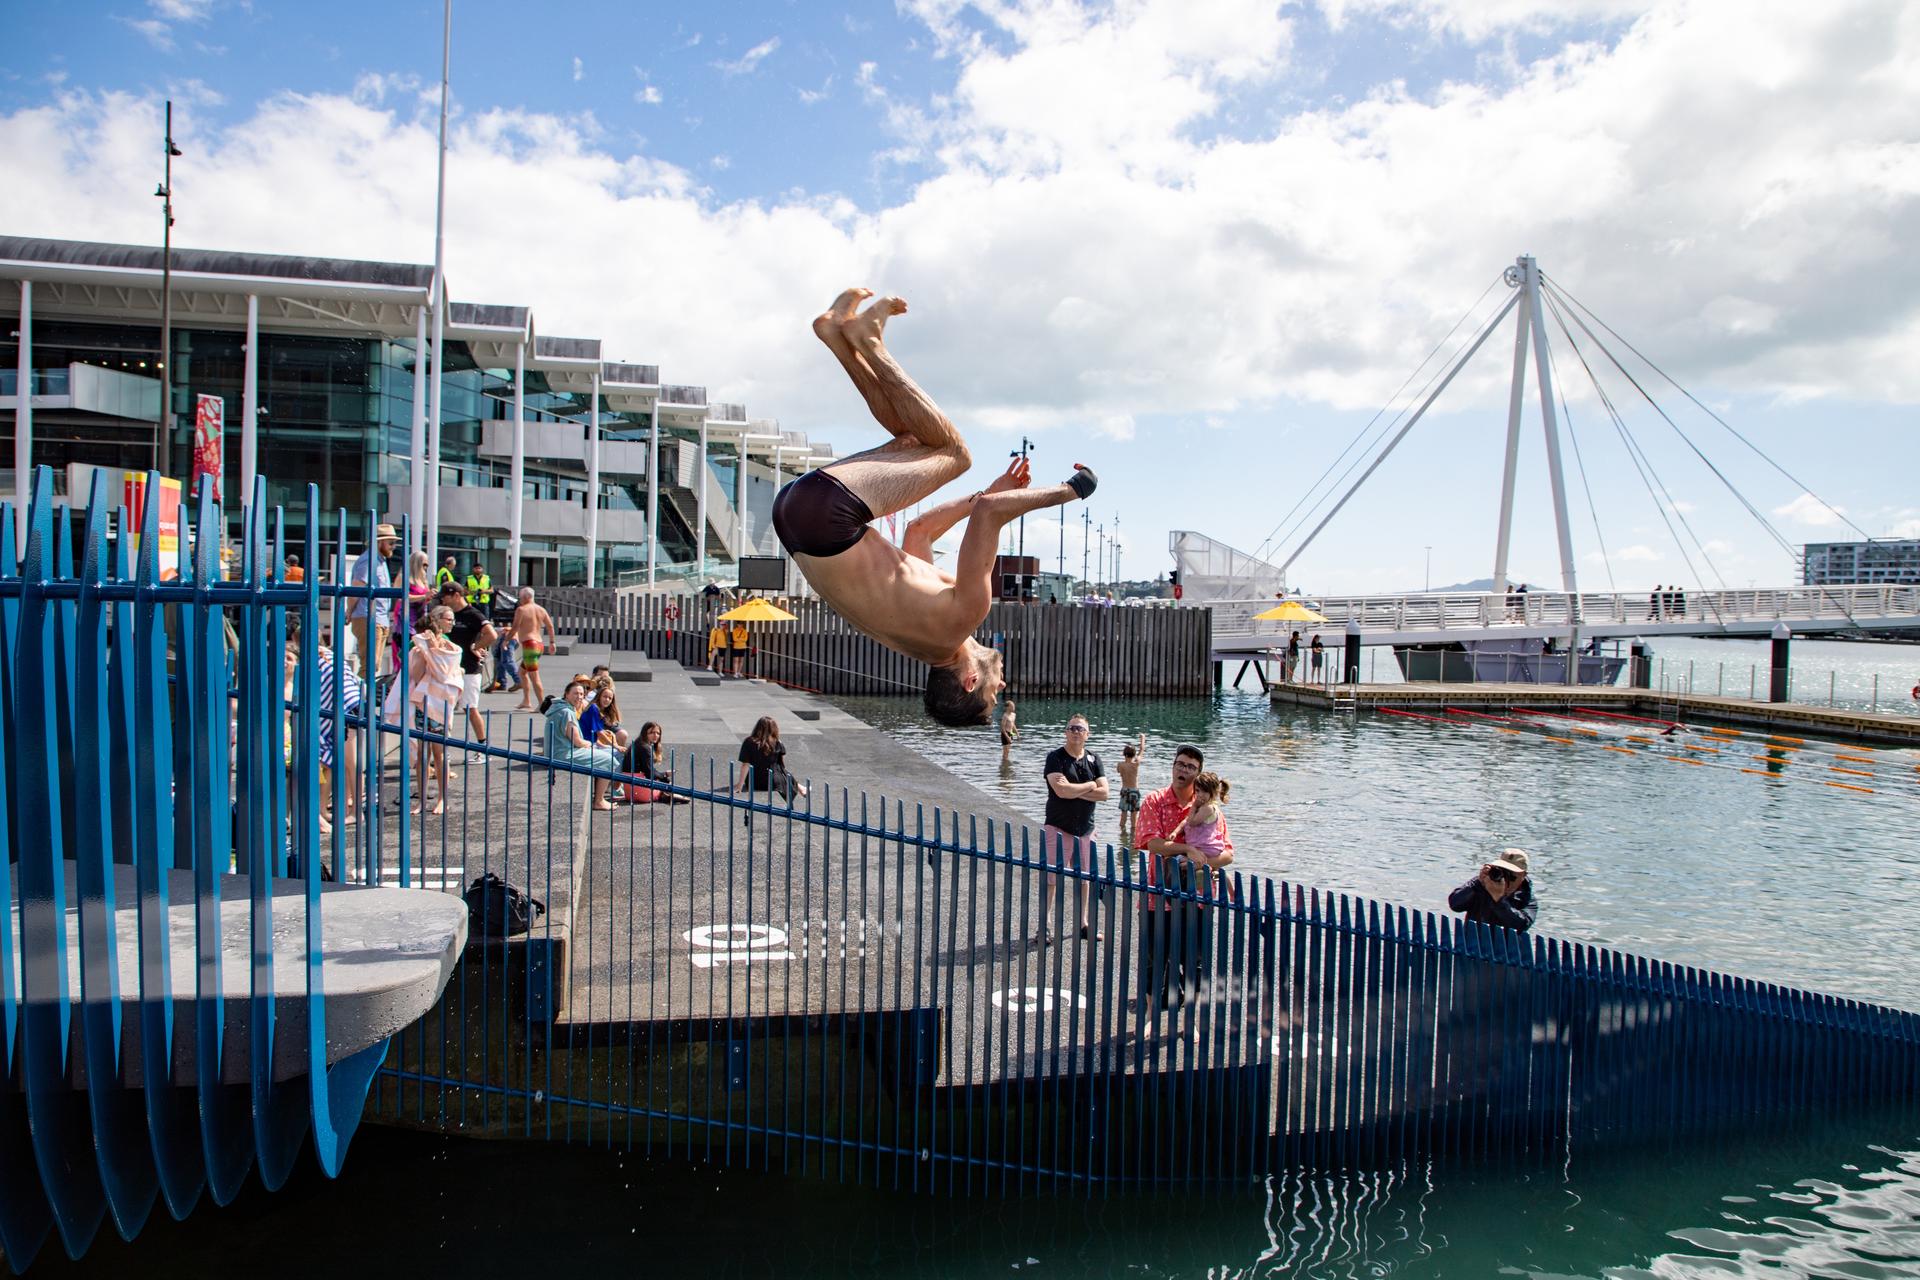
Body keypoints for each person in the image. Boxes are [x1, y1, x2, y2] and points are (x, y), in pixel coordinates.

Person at [775, 288, 1098, 727]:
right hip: (797, 519)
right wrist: (989, 491)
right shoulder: (923, 635)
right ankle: (837, 335)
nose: (1002, 688)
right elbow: (920, 533)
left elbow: (990, 516)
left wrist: (1071, 490)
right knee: (913, 440)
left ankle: (868, 341)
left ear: (969, 681)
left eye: (991, 696)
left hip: (830, 518)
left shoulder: (964, 615)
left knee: (954, 452)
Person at [1134, 745, 1234, 1012]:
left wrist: (1197, 864)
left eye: (1190, 767)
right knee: (1155, 957)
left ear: (1198, 774)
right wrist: (1186, 849)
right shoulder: (1155, 801)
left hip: (1198, 896)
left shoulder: (1210, 810)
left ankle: (1190, 1018)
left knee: (1195, 960)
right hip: (1160, 894)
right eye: (1180, 764)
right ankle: (1152, 1014)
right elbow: (1151, 843)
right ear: (1173, 766)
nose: (1183, 770)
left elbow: (1227, 854)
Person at [1040, 713, 1108, 944]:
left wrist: (1075, 788)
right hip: (1058, 826)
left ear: (1087, 734)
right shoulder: (1055, 758)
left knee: (1084, 880)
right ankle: (1045, 926)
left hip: (1086, 829)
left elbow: (1105, 793)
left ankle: (1083, 923)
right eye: (1072, 728)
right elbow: (1061, 791)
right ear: (1066, 732)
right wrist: (1090, 785)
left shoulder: (1094, 759)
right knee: (1051, 879)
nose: (1076, 732)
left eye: (1080, 729)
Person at [400, 604, 463, 816]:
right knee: (422, 754)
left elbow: (449, 673)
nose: (452, 623)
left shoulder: (450, 646)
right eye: (448, 619)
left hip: (439, 704)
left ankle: (442, 799)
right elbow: (411, 667)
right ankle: (421, 798)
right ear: (437, 620)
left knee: (440, 753)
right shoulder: (418, 643)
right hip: (423, 703)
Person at [543, 679, 621, 811]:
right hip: (563, 754)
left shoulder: (559, 708)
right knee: (609, 760)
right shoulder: (567, 712)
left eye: (581, 694)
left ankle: (604, 793)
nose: (579, 697)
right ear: (566, 694)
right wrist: (589, 743)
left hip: (555, 752)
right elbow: (577, 741)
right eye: (575, 693)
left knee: (604, 755)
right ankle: (599, 800)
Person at [440, 581, 496, 745]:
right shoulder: (447, 613)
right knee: (446, 708)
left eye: (445, 597)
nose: (443, 600)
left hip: (469, 668)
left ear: (456, 596)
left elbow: (491, 634)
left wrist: (475, 646)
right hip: (450, 667)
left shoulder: (473, 614)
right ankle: (443, 746)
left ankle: (483, 746)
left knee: (470, 707)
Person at [346, 523, 397, 680]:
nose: (393, 547)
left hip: (378, 618)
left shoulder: (379, 561)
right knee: (369, 665)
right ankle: (359, 699)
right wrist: (349, 612)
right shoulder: (368, 561)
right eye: (390, 543)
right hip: (368, 617)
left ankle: (363, 696)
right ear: (380, 542)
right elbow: (356, 588)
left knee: (374, 665)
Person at [735, 716, 808, 818]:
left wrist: (740, 785)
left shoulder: (749, 741)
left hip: (754, 782)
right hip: (773, 783)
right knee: (779, 769)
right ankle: (801, 788)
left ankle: (802, 788)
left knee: (777, 769)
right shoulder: (777, 742)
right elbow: (782, 765)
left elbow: (745, 765)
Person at [1447, 849, 1536, 931]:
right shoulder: (1482, 883)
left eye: (1512, 875)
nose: (1506, 878)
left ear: (1523, 875)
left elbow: (1522, 925)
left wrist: (1499, 900)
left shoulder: (1527, 898)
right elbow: (1455, 905)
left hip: (1503, 947)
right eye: (1503, 872)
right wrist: (1478, 884)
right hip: (1472, 944)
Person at [623, 720, 690, 804]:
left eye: (658, 733)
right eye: (651, 733)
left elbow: (647, 769)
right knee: (666, 782)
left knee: (663, 779)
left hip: (629, 791)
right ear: (645, 733)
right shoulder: (645, 748)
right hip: (638, 790)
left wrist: (663, 774)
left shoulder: (637, 744)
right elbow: (649, 774)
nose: (655, 736)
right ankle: (666, 794)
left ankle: (667, 794)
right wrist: (664, 775)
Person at [511, 587, 555, 711]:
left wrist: (506, 640)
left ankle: (542, 704)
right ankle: (526, 700)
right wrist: (552, 642)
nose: (519, 599)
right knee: (522, 672)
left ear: (525, 597)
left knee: (534, 676)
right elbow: (550, 626)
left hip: (530, 645)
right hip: (538, 644)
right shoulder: (541, 609)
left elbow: (515, 627)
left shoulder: (521, 609)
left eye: (520, 597)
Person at [1114, 733, 1146, 847]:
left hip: (1124, 790)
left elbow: (1118, 771)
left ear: (1124, 754)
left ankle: (1122, 836)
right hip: (1134, 791)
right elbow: (1142, 749)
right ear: (1133, 755)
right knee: (1134, 817)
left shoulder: (1120, 765)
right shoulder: (1136, 764)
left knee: (1123, 815)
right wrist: (1142, 738)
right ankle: (1133, 838)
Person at [998, 696, 1019, 764]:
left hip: (1010, 733)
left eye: (1014, 706)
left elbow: (1013, 725)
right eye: (1012, 706)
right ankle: (1004, 763)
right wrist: (1007, 737)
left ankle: (1005, 763)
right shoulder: (1005, 716)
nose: (1014, 707)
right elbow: (1002, 728)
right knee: (1005, 750)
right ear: (1008, 707)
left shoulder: (1013, 715)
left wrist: (1017, 733)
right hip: (1005, 733)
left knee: (1008, 750)